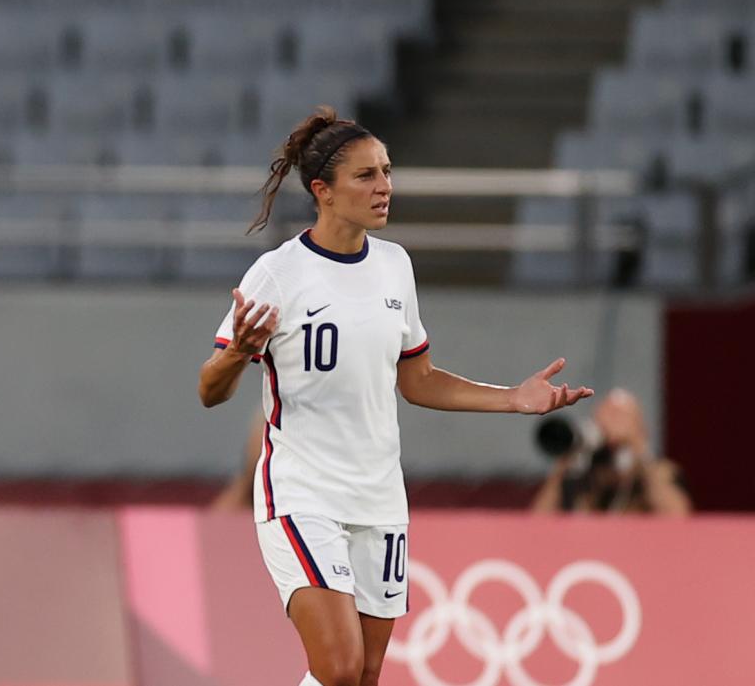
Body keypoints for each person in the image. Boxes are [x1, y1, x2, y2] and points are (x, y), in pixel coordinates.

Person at [194, 107, 595, 686]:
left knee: (366, 674)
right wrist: (235, 354)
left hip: (379, 496)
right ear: (322, 191)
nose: (384, 187)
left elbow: (419, 379)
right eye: (366, 176)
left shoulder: (393, 266)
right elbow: (209, 389)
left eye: (387, 171)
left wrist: (512, 399)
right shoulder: (278, 273)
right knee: (337, 667)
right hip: (303, 492)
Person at [531, 389, 692, 515]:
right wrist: (566, 461)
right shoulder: (581, 474)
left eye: (620, 417)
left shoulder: (659, 471)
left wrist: (637, 446)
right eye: (605, 417)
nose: (611, 423)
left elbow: (678, 516)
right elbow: (537, 523)